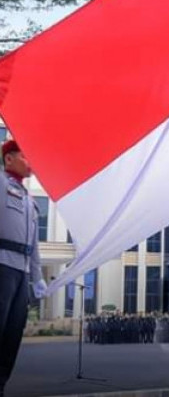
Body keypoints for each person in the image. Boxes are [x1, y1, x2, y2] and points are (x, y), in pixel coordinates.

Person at [0, 140, 47, 396]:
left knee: (13, 334)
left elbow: (34, 244)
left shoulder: (30, 201)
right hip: (2, 266)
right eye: (25, 156)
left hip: (22, 271)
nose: (31, 162)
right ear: (9, 159)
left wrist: (37, 277)